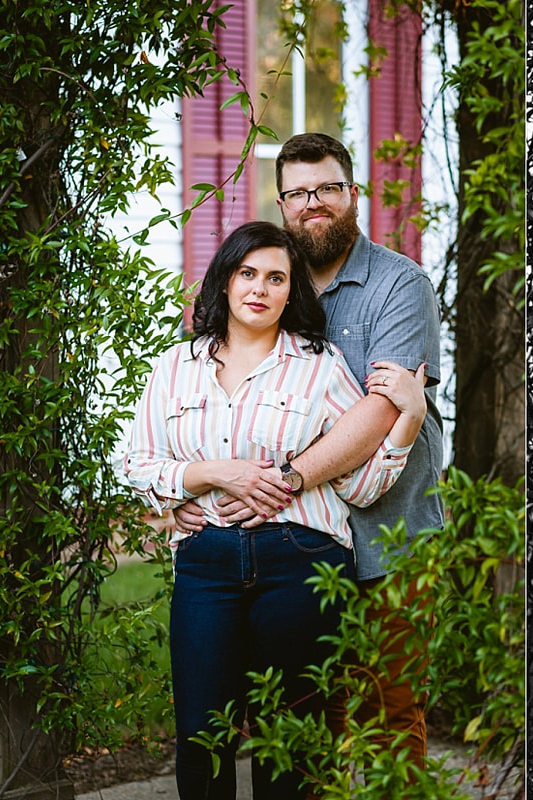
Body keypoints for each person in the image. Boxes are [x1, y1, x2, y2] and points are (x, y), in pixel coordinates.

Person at [122, 221, 427, 799]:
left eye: (277, 277)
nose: (260, 288)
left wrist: (407, 421)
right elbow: (139, 464)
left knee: (293, 738)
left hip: (303, 561)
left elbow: (359, 488)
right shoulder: (174, 367)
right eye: (247, 273)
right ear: (226, 280)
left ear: (292, 292)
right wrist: (210, 475)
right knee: (202, 737)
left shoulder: (321, 366)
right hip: (206, 566)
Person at [173, 132, 444, 770]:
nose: (312, 203)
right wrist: (194, 490)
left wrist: (286, 480)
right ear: (283, 202)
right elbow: (216, 388)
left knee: (389, 706)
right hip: (293, 544)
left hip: (385, 532)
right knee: (303, 715)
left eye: (326, 188)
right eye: (297, 193)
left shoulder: (399, 285)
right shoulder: (270, 281)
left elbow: (382, 410)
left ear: (352, 193)